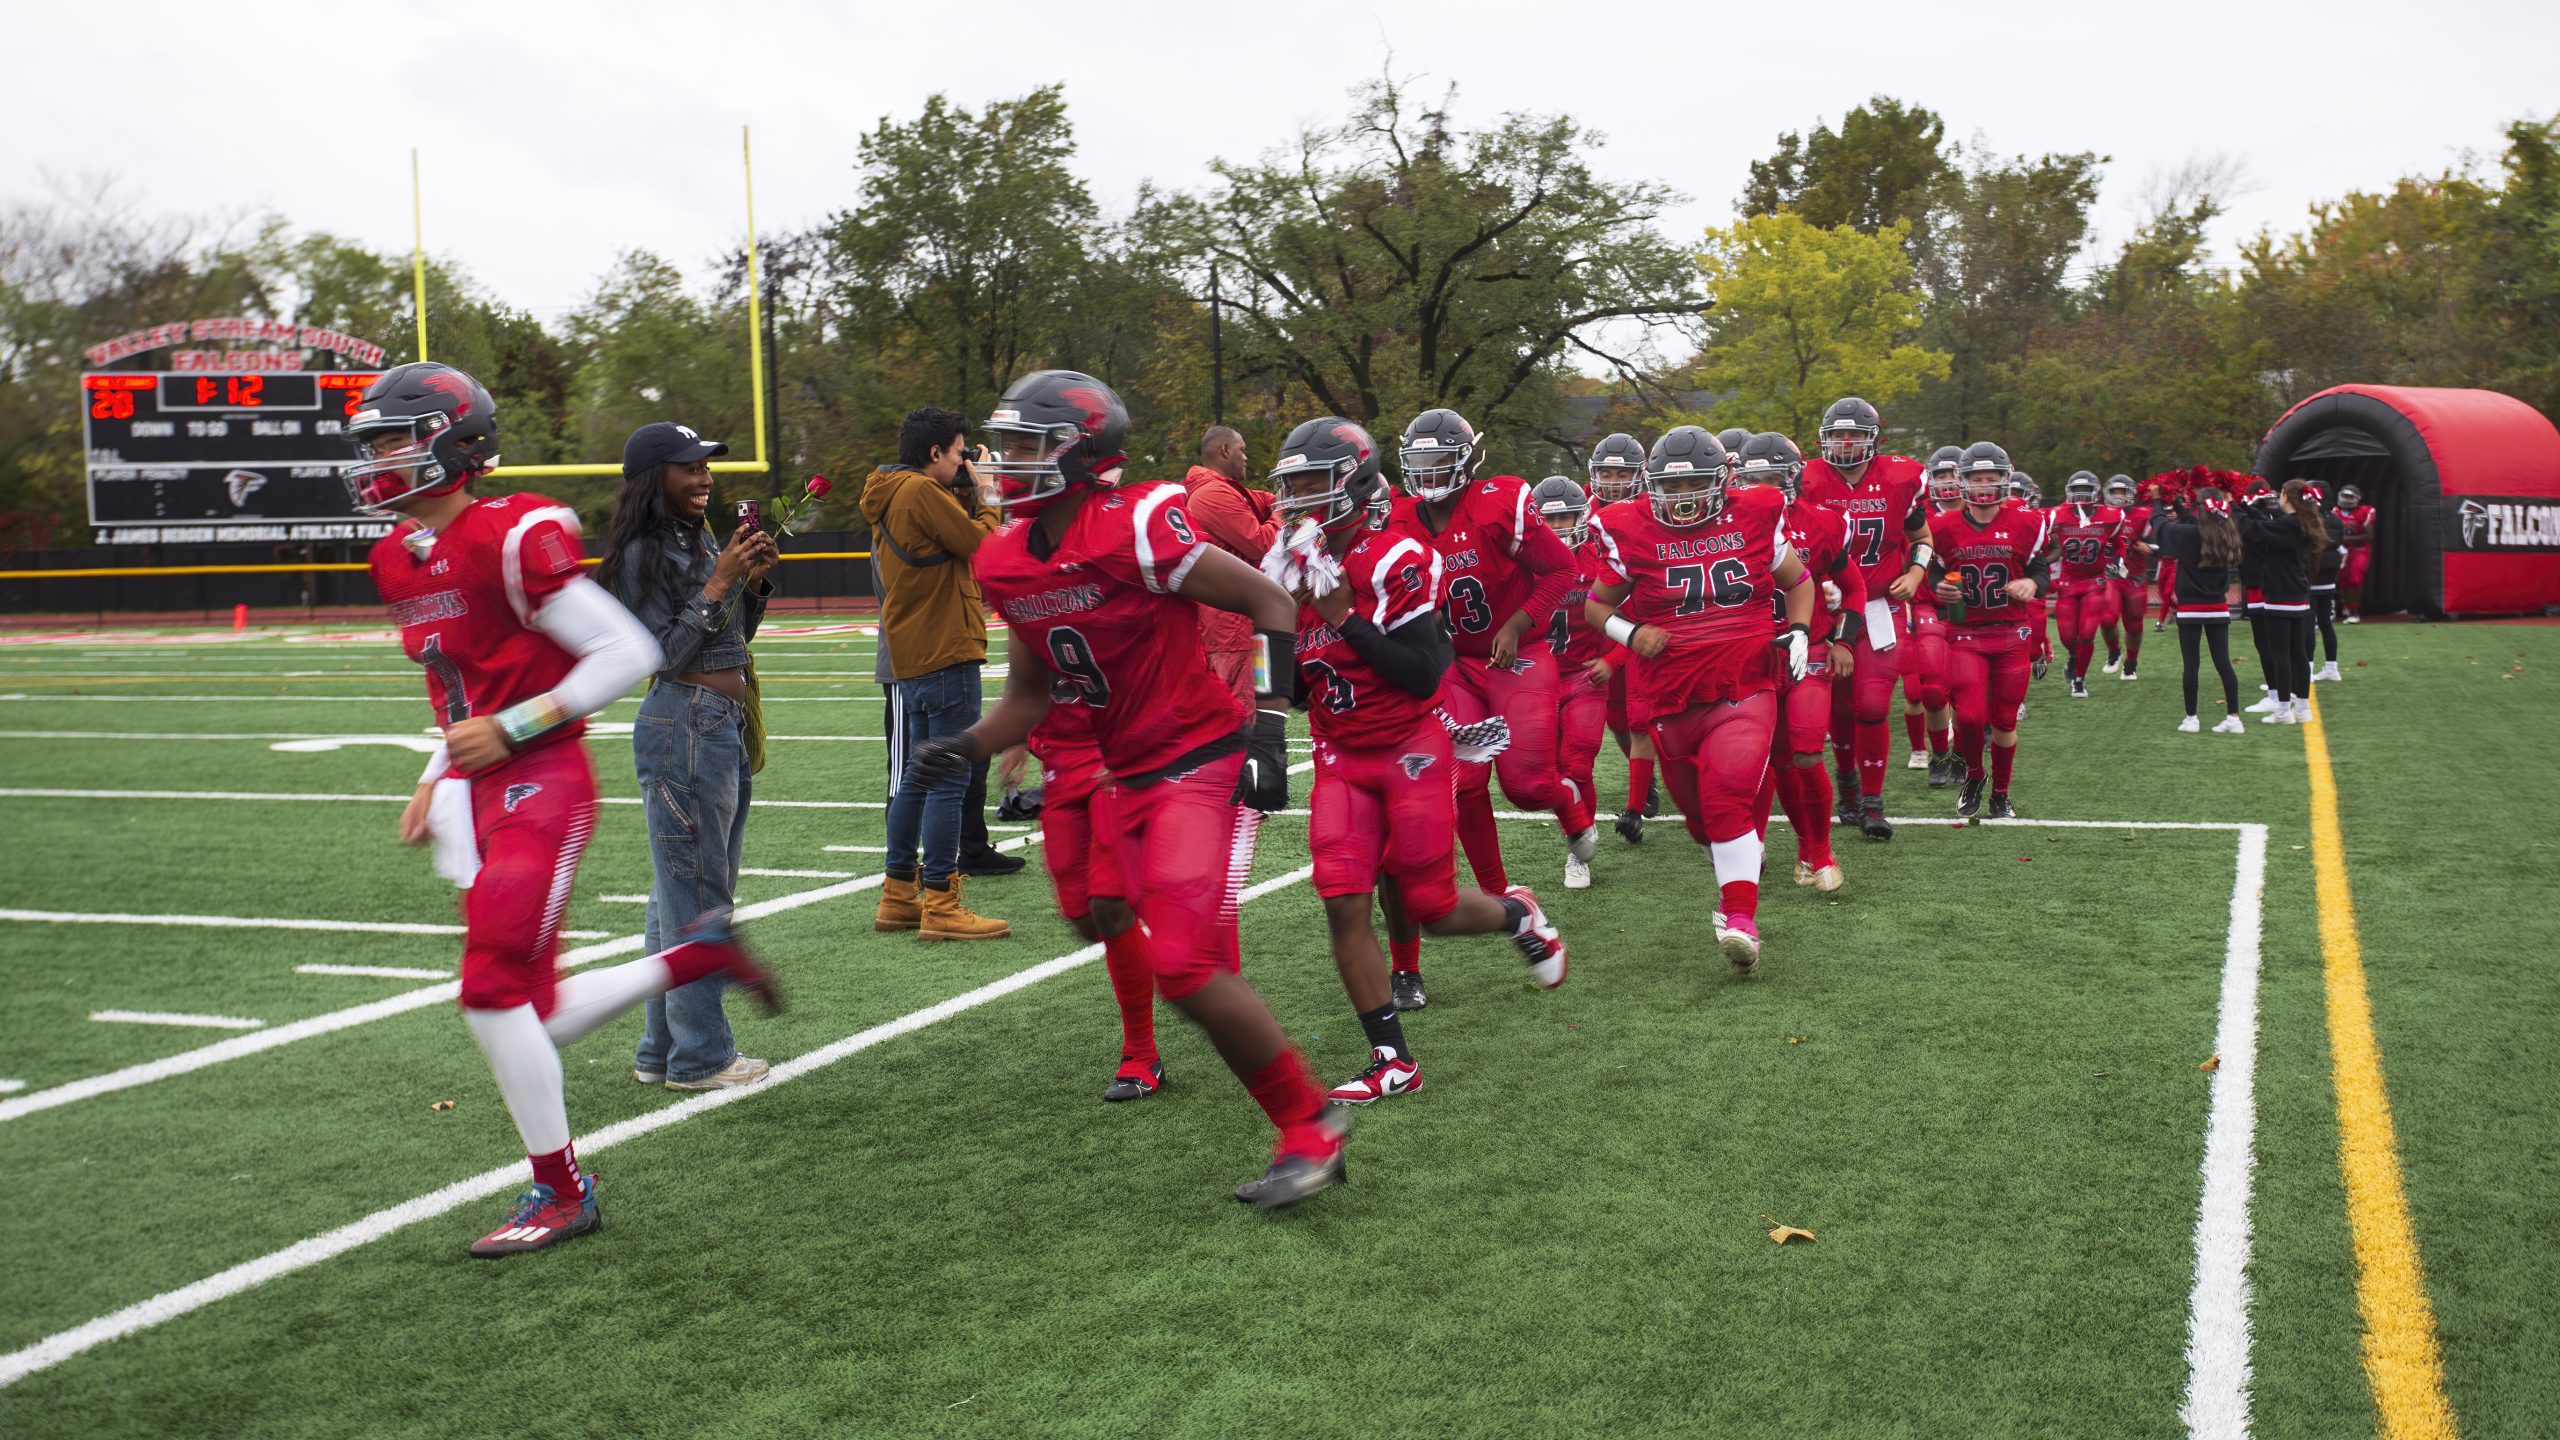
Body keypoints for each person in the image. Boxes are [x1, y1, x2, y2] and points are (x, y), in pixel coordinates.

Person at [354, 362, 776, 1257]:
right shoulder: (396, 555)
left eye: (394, 437)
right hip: (478, 791)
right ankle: (696, 953)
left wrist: (510, 728)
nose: (377, 456)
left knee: (489, 989)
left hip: (542, 780)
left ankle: (560, 1189)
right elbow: (456, 692)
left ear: (454, 443)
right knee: (528, 1011)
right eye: (375, 440)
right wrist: (439, 765)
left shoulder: (513, 533)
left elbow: (625, 653)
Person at [924, 369, 1348, 1207]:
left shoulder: (1139, 522)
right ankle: (1192, 1033)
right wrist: (967, 745)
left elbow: (1271, 599)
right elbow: (1031, 694)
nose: (1000, 461)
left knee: (1184, 964)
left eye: (1023, 445)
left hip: (1197, 755)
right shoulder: (1005, 556)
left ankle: (1310, 1123)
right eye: (1000, 443)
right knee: (1095, 916)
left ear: (1078, 452)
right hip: (1124, 771)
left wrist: (1268, 723)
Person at [1272, 419, 1569, 1105]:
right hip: (1339, 753)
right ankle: (1391, 1057)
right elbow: (1283, 679)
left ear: (1353, 482)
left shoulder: (1395, 558)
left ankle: (1517, 915)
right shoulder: (1285, 560)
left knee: (1429, 907)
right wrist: (1271, 661)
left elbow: (1423, 671)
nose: (1299, 500)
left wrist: (1345, 620)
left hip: (1408, 745)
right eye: (1292, 487)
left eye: (1314, 484)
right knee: (1343, 902)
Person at [1585, 426, 1816, 971]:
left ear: (1721, 481)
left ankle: (1740, 919)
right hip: (1668, 689)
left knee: (1729, 793)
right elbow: (1598, 605)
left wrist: (1801, 630)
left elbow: (1798, 581)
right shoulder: (1628, 526)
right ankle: (1729, 860)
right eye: (1673, 484)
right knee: (1699, 820)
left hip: (1745, 677)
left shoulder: (1754, 511)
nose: (1683, 495)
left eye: (1694, 483)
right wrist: (1629, 633)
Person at [598, 421, 780, 1092]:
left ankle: (661, 1048)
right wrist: (716, 583)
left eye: (706, 466)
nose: (705, 478)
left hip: (716, 720)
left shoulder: (696, 537)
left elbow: (729, 636)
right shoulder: (639, 552)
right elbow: (660, 657)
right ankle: (701, 1057)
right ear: (655, 478)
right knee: (697, 899)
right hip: (684, 722)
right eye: (689, 467)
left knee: (678, 898)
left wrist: (751, 584)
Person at [1397, 408, 1596, 893]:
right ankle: (1495, 892)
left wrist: (1515, 624)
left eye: (1440, 461)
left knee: (1527, 787)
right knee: (1464, 782)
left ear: (1465, 462)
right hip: (1457, 663)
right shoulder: (1400, 519)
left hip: (1520, 655)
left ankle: (1568, 805)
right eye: (1420, 463)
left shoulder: (1497, 502)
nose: (1429, 474)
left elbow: (1562, 570)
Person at [862, 408, 1010, 940]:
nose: (961, 460)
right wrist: (990, 494)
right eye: (957, 451)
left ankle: (898, 893)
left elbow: (945, 540)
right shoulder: (921, 492)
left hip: (914, 651)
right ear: (933, 454)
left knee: (916, 779)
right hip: (947, 648)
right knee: (948, 779)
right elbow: (980, 548)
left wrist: (969, 492)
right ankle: (942, 903)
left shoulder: (892, 492)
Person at [1796, 396, 1928, 843]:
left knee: (1870, 706)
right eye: (1836, 435)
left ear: (1873, 439)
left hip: (1878, 606)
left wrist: (1916, 570)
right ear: (1823, 438)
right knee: (1837, 705)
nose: (1845, 443)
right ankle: (1848, 781)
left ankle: (1871, 799)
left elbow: (1921, 536)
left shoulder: (1901, 477)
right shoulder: (1806, 479)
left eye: (1853, 435)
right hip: (1823, 608)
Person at [1738, 432, 1863, 893]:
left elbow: (1855, 588)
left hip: (1807, 648)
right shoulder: (1728, 523)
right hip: (1751, 652)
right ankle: (1803, 847)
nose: (1765, 486)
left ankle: (1820, 850)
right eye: (1755, 478)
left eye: (1774, 477)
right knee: (1777, 758)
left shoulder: (1823, 522)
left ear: (1794, 478)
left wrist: (1844, 641)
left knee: (1808, 752)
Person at [1926, 442, 2052, 820]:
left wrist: (2033, 585)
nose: (1983, 486)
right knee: (1967, 717)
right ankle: (1975, 775)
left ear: (2004, 480)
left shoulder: (2027, 522)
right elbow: (1934, 571)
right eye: (1976, 479)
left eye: (1990, 479)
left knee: (2004, 720)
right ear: (1963, 482)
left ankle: (2001, 794)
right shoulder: (1943, 527)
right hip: (1966, 635)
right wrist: (1939, 588)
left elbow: (2040, 569)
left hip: (2012, 633)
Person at [1534, 475, 1612, 889]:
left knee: (1578, 763)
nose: (1560, 527)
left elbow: (1631, 614)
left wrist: (1614, 659)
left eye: (1565, 517)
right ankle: (1578, 825)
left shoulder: (1599, 559)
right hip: (1535, 679)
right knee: (1542, 772)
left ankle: (1576, 851)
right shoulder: (1522, 561)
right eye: (1550, 520)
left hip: (1583, 674)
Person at [1587, 432, 1662, 841]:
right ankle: (1645, 780)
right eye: (1607, 473)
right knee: (1616, 717)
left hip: (1642, 620)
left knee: (1641, 718)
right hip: (1598, 621)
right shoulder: (1582, 509)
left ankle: (1635, 805)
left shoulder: (1654, 509)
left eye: (1622, 473)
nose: (1614, 481)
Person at [1184, 424, 1281, 703]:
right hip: (1229, 629)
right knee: (1240, 708)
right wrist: (1285, 513)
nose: (1246, 457)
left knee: (1258, 700)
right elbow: (1260, 543)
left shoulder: (1225, 490)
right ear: (1225, 450)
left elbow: (1263, 500)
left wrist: (1282, 503)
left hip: (1242, 624)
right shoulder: (1212, 494)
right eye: (1242, 450)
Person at [2152, 488, 2247, 732]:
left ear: (2201, 508)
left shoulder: (2188, 534)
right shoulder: (2228, 533)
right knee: (2223, 663)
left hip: (2190, 608)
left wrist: (2157, 502)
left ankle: (2192, 719)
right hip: (2218, 607)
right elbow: (2196, 522)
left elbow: (2161, 527)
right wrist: (2175, 501)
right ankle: (2234, 718)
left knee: (2191, 665)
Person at [2239, 482, 2325, 725]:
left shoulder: (2289, 524)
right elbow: (2267, 524)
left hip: (2280, 595)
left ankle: (2284, 710)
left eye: (2281, 494)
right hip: (2297, 595)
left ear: (2286, 496)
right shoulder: (2299, 522)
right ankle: (2302, 709)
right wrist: (2249, 507)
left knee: (2281, 654)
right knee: (2298, 654)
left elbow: (2255, 531)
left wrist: (2231, 509)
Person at [1902, 450, 1963, 786]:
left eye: (1953, 475)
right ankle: (1938, 756)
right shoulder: (1916, 514)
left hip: (1976, 611)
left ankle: (1965, 753)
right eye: (1940, 475)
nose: (1948, 482)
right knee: (1930, 689)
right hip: (1927, 605)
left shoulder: (1991, 514)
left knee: (1972, 691)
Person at [2047, 472, 2127, 699]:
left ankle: (2079, 680)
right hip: (2068, 583)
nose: (2080, 496)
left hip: (2095, 582)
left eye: (2085, 490)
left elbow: (2118, 544)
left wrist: (2118, 562)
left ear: (2096, 492)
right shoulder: (2057, 514)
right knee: (2066, 637)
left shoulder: (2111, 516)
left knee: (2087, 633)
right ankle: (2074, 656)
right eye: (2076, 490)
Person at [2099, 474, 2152, 679]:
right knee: (2106, 618)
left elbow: (2159, 545)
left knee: (2134, 624)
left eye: (2124, 492)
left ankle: (2131, 662)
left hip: (2134, 576)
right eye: (2115, 492)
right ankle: (2114, 652)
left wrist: (2141, 546)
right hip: (2111, 575)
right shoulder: (2099, 514)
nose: (2119, 497)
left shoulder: (2143, 515)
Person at [2334, 483, 2374, 621]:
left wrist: (2345, 538)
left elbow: (2369, 536)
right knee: (2342, 580)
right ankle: (2347, 606)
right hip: (2342, 549)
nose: (2346, 500)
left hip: (2359, 549)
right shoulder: (2335, 513)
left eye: (2349, 497)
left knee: (2354, 578)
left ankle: (2354, 610)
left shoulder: (2364, 512)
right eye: (2344, 496)